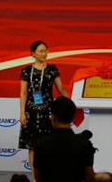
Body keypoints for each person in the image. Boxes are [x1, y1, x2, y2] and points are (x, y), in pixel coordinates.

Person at [19, 41, 68, 180]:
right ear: (33, 53)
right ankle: (35, 178)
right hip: (31, 112)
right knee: (33, 147)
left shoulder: (52, 69)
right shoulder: (26, 71)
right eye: (40, 51)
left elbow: (61, 89)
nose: (44, 53)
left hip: (48, 112)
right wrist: (22, 113)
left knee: (50, 145)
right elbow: (23, 93)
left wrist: (71, 102)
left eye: (45, 50)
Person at [33, 97, 95, 182]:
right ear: (72, 117)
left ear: (53, 117)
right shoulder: (84, 144)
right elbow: (89, 177)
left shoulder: (42, 144)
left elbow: (37, 177)